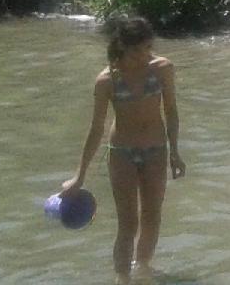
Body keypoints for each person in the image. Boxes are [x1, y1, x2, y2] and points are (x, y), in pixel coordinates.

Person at [59, 16, 186, 284]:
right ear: (122, 47)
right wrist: (79, 176)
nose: (145, 55)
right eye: (138, 50)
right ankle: (122, 278)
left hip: (156, 150)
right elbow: (96, 129)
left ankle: (143, 270)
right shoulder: (106, 80)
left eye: (148, 47)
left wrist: (175, 151)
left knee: (152, 215)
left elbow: (171, 111)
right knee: (127, 222)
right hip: (122, 153)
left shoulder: (162, 68)